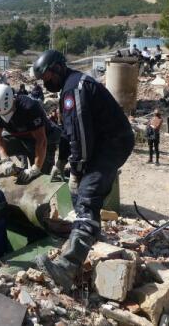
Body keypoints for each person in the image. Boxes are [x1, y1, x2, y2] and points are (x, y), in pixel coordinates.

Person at [32, 49, 135, 290]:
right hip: (105, 143)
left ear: (57, 68)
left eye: (46, 77)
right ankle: (88, 235)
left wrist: (77, 170)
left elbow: (80, 135)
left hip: (112, 144)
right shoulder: (70, 86)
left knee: (87, 196)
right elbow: (68, 135)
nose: (45, 83)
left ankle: (68, 267)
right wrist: (61, 163)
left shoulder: (73, 90)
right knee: (82, 196)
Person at [0, 84, 61, 179]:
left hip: (45, 139)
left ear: (12, 102)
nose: (4, 116)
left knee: (41, 176)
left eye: (6, 113)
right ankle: (11, 171)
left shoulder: (29, 107)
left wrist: (36, 168)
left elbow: (41, 140)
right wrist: (4, 157)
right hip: (21, 138)